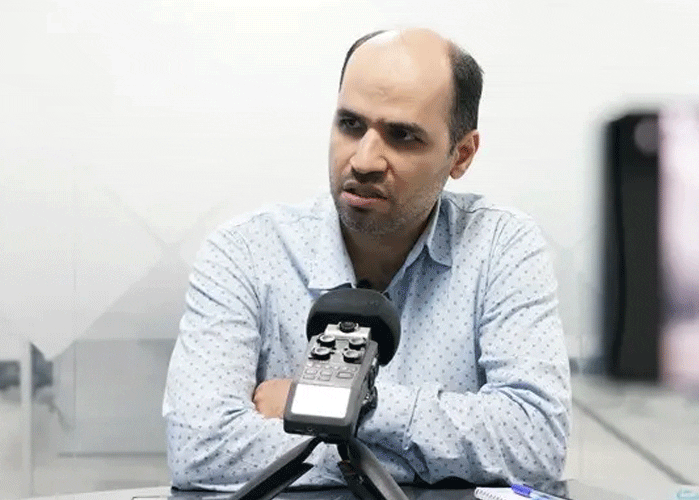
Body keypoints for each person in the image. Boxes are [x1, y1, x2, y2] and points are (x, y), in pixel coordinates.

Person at [163, 28, 571, 491]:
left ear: (461, 155)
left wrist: (334, 403)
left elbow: (536, 443)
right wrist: (396, 462)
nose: (364, 160)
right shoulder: (245, 253)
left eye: (402, 136)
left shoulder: (500, 245)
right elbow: (200, 447)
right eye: (350, 125)